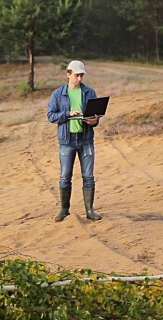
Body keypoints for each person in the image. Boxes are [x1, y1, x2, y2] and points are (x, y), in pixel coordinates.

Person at [47, 60, 102, 222]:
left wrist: (94, 121)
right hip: (66, 140)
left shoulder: (90, 93)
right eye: (77, 75)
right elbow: (51, 116)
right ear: (68, 74)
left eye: (81, 75)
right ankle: (64, 210)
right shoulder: (57, 94)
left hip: (86, 139)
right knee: (65, 176)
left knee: (88, 176)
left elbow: (96, 117)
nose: (79, 78)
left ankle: (90, 210)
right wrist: (68, 114)